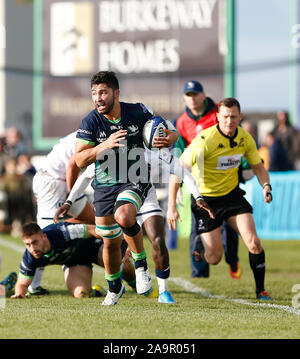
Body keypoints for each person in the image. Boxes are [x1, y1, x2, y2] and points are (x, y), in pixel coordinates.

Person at [74, 71, 178, 305]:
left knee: (124, 215)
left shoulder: (138, 111)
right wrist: (104, 145)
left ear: (116, 93)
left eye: (103, 92)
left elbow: (171, 132)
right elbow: (79, 160)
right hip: (104, 185)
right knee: (109, 243)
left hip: (135, 177)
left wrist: (167, 139)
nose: (98, 98)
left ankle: (140, 265)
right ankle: (114, 288)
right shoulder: (91, 121)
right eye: (94, 93)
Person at [167, 97, 273, 300]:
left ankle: (261, 290)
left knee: (253, 243)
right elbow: (177, 171)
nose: (229, 121)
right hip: (205, 201)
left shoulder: (245, 137)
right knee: (214, 258)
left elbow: (259, 167)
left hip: (232, 197)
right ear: (217, 117)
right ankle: (200, 244)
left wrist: (266, 186)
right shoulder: (204, 141)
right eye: (225, 117)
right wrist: (171, 206)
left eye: (233, 117)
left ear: (240, 117)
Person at [175, 80, 240, 279]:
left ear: (203, 95)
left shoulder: (218, 114)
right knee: (198, 229)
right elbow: (180, 154)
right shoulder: (181, 122)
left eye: (195, 94)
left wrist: (244, 165)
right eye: (188, 95)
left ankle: (232, 258)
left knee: (229, 226)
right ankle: (199, 271)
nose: (192, 99)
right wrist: (178, 185)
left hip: (226, 178)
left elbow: (237, 139)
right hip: (199, 184)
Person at [30, 131, 95, 296]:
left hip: (59, 181)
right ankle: (33, 285)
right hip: (53, 183)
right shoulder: (93, 132)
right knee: (45, 235)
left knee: (95, 219)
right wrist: (72, 197)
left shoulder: (89, 129)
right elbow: (72, 165)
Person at [11, 222, 135, 299]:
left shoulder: (62, 232)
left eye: (35, 242)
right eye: (27, 244)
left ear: (44, 236)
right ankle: (98, 291)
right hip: (76, 262)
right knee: (81, 294)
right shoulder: (30, 256)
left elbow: (93, 230)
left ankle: (137, 284)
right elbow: (22, 283)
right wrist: (19, 293)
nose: (32, 248)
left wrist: (120, 244)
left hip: (93, 248)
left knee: (114, 257)